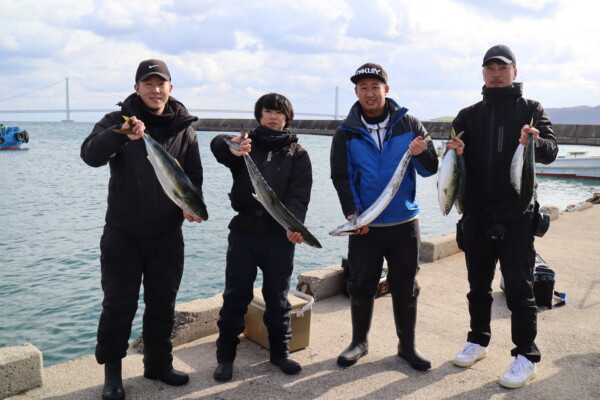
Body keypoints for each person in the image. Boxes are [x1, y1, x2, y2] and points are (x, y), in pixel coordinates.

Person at [81, 59, 204, 400]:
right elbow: (89, 155)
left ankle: (158, 364)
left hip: (166, 235)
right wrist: (119, 135)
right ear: (137, 88)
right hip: (123, 234)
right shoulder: (116, 122)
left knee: (163, 304)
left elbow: (193, 177)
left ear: (170, 88)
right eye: (147, 84)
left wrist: (190, 205)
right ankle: (113, 375)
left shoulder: (185, 129)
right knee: (118, 304)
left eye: (160, 83)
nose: (154, 89)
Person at [447, 44, 558, 388]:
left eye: (502, 67)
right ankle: (477, 341)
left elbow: (551, 153)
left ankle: (526, 356)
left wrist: (536, 141)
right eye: (490, 68)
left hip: (517, 215)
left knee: (520, 290)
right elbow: (451, 164)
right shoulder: (467, 115)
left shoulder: (531, 110)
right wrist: (454, 151)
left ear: (514, 71)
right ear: (483, 73)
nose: (496, 73)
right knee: (477, 287)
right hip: (476, 214)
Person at [330, 63, 438, 371]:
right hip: (366, 226)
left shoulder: (411, 124)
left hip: (404, 224)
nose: (369, 93)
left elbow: (429, 169)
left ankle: (407, 346)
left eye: (375, 87)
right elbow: (342, 176)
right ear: (356, 92)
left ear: (385, 90)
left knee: (405, 285)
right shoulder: (346, 133)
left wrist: (421, 152)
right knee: (361, 284)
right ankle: (359, 342)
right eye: (363, 88)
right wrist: (353, 215)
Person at [210, 93, 312, 381]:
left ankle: (280, 354)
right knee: (235, 296)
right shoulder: (245, 145)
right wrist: (232, 147)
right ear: (259, 115)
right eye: (268, 111)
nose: (273, 116)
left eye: (279, 112)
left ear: (287, 118)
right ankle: (225, 357)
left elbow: (299, 197)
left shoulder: (299, 154)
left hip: (279, 235)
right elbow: (216, 143)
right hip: (243, 232)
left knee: (278, 297)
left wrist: (294, 226)